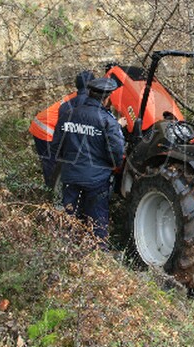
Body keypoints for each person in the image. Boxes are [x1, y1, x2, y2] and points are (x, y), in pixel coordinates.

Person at [50, 77, 126, 247]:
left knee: (69, 217)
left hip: (70, 176)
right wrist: (111, 167)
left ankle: (64, 251)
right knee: (97, 220)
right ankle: (98, 255)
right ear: (107, 98)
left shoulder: (68, 115)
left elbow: (56, 146)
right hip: (96, 180)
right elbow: (117, 153)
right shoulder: (108, 121)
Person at [29, 70, 95, 187]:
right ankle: (53, 193)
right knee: (52, 163)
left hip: (42, 124)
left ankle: (54, 189)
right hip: (46, 129)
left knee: (54, 161)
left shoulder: (77, 95)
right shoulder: (84, 100)